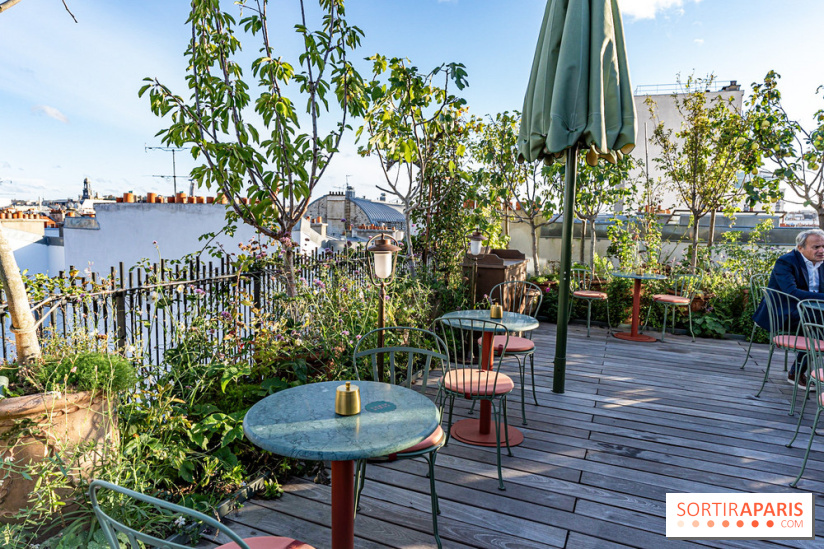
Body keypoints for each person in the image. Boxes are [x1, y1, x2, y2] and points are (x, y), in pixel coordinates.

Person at [753, 228, 824, 388]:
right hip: (783, 312)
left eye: (823, 246)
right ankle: (797, 372)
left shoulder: (822, 262)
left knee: (817, 322)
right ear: (800, 248)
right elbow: (791, 292)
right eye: (816, 247)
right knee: (818, 324)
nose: (821, 251)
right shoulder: (786, 262)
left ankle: (803, 371)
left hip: (812, 311)